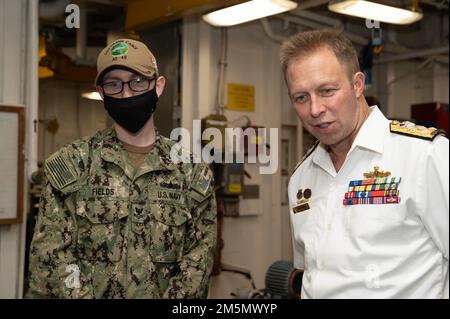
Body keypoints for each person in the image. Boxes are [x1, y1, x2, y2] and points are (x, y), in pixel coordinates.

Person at [27, 38, 217, 298]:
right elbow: (51, 256)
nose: (126, 93)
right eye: (114, 84)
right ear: (102, 93)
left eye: (138, 81)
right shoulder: (73, 164)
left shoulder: (192, 172)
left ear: (157, 86)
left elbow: (199, 261)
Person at [280, 30, 449, 298]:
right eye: (301, 97)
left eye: (327, 91)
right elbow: (311, 272)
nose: (314, 109)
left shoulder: (424, 157)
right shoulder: (302, 179)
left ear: (358, 84)